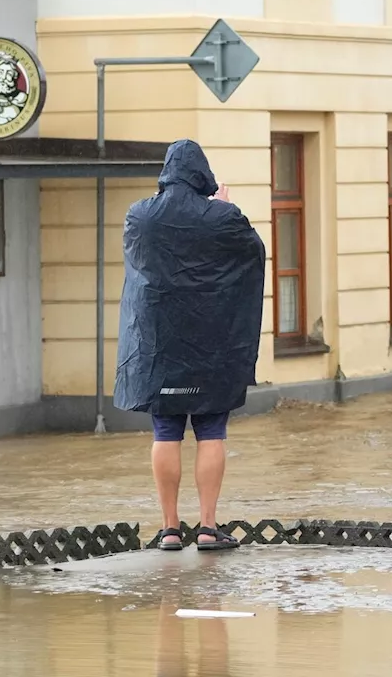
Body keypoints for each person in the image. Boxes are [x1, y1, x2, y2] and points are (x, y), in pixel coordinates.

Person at [114, 139, 266, 551]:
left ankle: (168, 529)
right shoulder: (223, 217)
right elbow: (252, 254)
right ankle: (207, 526)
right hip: (212, 349)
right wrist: (224, 209)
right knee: (211, 432)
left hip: (159, 349)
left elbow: (139, 272)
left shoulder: (139, 216)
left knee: (165, 433)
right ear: (203, 173)